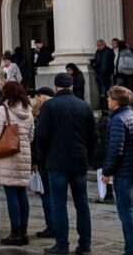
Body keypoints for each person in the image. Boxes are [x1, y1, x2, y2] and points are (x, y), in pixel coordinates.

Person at [35, 72, 97, 255]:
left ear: (56, 87)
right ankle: (85, 243)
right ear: (71, 86)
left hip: (56, 162)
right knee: (82, 203)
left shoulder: (50, 106)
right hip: (79, 161)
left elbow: (42, 135)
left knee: (59, 203)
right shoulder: (84, 105)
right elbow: (93, 136)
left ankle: (62, 244)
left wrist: (45, 156)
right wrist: (88, 156)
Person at [101, 86, 133, 255]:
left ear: (115, 101)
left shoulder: (117, 120)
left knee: (126, 212)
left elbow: (115, 149)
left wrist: (107, 171)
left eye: (109, 98)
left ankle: (131, 250)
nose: (107, 101)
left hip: (125, 172)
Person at [0, 81, 35, 246]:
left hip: (8, 155)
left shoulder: (3, 109)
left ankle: (15, 232)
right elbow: (31, 135)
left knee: (11, 194)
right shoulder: (28, 110)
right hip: (24, 154)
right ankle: (23, 231)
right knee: (22, 193)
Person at [31, 87, 56, 238]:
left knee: (46, 194)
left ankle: (52, 226)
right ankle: (55, 224)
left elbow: (38, 141)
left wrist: (34, 161)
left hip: (44, 160)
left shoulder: (42, 115)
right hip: (56, 158)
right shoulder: (58, 112)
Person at [114, 39, 133, 106]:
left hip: (121, 74)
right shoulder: (131, 51)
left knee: (123, 89)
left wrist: (116, 73)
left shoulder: (119, 52)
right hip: (132, 73)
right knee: (132, 89)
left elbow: (116, 63)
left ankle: (126, 103)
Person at [92, 40, 115, 109]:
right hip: (99, 73)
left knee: (105, 90)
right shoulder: (97, 52)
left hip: (106, 74)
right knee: (101, 90)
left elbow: (111, 63)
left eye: (100, 45)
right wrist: (94, 65)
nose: (99, 47)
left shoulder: (109, 51)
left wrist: (110, 72)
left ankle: (106, 105)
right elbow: (96, 61)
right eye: (98, 45)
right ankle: (103, 105)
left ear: (104, 44)